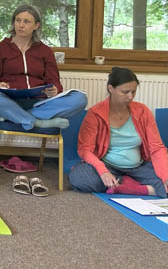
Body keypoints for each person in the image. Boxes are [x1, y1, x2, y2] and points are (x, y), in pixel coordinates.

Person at [0, 4, 86, 130]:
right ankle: (38, 122)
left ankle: (14, 116)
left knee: (79, 99)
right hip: (9, 100)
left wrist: (55, 90)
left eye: (26, 21)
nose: (21, 25)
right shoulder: (0, 48)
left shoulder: (45, 51)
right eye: (18, 20)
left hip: (39, 102)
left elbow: (55, 82)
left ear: (36, 25)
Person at [68, 68, 168, 197]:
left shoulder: (143, 111)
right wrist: (103, 171)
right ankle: (136, 186)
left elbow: (157, 148)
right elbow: (85, 149)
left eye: (133, 91)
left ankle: (134, 188)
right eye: (125, 92)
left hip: (139, 167)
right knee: (80, 178)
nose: (130, 96)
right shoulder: (95, 113)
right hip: (108, 166)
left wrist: (165, 176)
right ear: (111, 88)